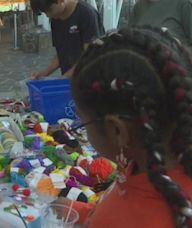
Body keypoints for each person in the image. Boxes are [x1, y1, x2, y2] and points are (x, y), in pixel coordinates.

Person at [68, 26, 192, 227]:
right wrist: (83, 212)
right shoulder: (146, 168)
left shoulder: (116, 219)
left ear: (117, 130)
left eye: (83, 123)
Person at [30, 0, 104, 78]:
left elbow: (89, 56)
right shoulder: (55, 19)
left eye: (50, 10)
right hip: (70, 78)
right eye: (45, 12)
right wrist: (43, 73)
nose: (48, 15)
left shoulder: (86, 14)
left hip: (90, 79)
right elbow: (61, 54)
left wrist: (65, 77)